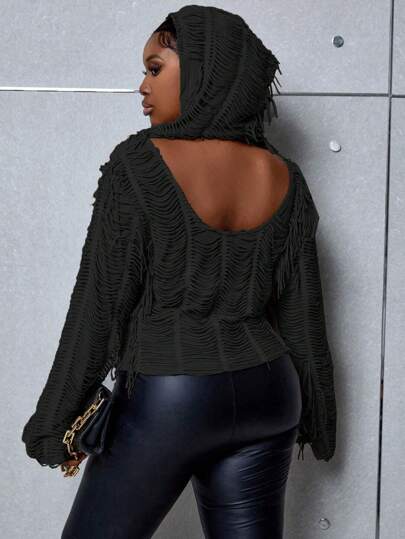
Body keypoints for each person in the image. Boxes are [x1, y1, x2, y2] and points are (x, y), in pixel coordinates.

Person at [21, 5, 337, 538]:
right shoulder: (285, 175)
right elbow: (302, 313)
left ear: (206, 71)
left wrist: (54, 422)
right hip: (270, 393)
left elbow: (99, 305)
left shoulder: (140, 163)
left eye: (155, 68)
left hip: (172, 397)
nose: (142, 87)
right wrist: (319, 414)